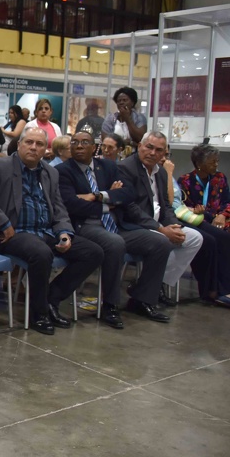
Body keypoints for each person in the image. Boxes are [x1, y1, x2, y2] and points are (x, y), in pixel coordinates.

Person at [0, 127, 104, 335]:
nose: (34, 147)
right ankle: (38, 314)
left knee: (93, 252)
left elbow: (59, 207)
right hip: (13, 234)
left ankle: (51, 299)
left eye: (39, 144)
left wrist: (64, 232)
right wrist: (4, 223)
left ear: (46, 149)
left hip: (45, 232)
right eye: (29, 142)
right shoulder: (0, 165)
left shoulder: (50, 172)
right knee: (41, 253)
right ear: (20, 144)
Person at [58, 131, 174, 328]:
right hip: (86, 226)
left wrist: (97, 196)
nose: (79, 146)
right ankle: (110, 305)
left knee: (161, 242)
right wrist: (110, 200)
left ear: (94, 148)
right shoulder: (63, 170)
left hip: (117, 225)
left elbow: (128, 194)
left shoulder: (109, 166)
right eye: (75, 142)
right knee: (115, 243)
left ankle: (142, 299)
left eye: (85, 142)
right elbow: (72, 204)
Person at [118, 131, 203, 309]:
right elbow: (130, 208)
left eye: (159, 150)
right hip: (131, 227)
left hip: (157, 226)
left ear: (164, 154)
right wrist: (161, 229)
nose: (153, 153)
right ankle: (143, 300)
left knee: (194, 237)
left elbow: (166, 205)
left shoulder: (161, 173)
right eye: (149, 147)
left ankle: (153, 287)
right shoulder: (126, 168)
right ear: (139, 146)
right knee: (162, 241)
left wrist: (174, 226)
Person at [177, 144, 230, 305]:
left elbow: (228, 202)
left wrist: (222, 215)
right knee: (220, 238)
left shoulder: (220, 178)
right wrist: (199, 212)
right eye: (212, 162)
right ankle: (221, 289)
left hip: (221, 219)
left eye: (217, 161)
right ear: (199, 164)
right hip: (201, 220)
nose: (216, 165)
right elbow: (184, 209)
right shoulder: (185, 181)